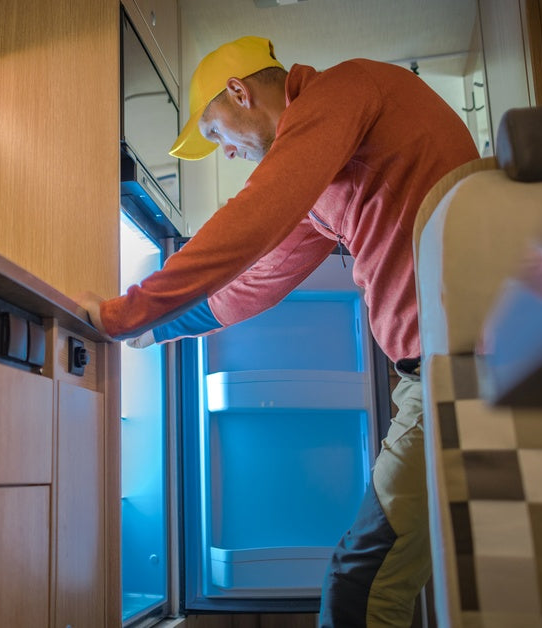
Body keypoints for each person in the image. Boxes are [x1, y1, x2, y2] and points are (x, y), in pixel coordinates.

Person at [77, 36, 478, 627]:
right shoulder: (326, 173)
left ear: (239, 92)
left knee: (360, 585)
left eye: (215, 132)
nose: (226, 151)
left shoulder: (343, 89)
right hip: (446, 368)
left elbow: (254, 218)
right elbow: (258, 282)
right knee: (379, 576)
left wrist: (125, 312)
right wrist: (156, 331)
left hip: (462, 365)